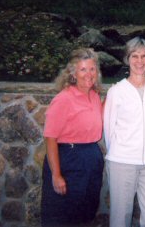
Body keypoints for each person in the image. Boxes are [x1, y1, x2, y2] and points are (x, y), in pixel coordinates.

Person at [104, 37, 145, 227]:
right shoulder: (117, 91)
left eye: (144, 56)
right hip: (122, 163)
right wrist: (121, 152)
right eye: (135, 56)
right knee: (120, 218)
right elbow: (109, 129)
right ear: (127, 59)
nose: (140, 61)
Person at [40, 48, 105, 226]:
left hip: (91, 158)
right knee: (61, 214)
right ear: (73, 73)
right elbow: (50, 138)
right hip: (69, 159)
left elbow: (99, 118)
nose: (89, 74)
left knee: (85, 213)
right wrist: (56, 175)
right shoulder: (64, 99)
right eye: (83, 69)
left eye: (92, 69)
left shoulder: (94, 96)